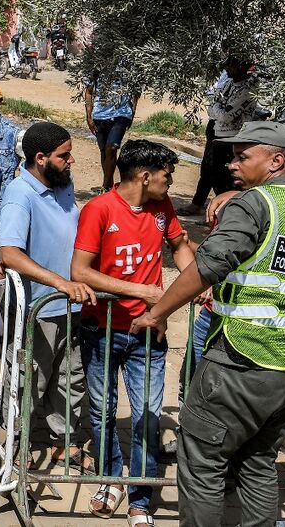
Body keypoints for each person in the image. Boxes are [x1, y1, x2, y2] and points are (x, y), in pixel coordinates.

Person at [131, 122, 285, 526]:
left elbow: (209, 265)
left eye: (243, 155)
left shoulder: (255, 205)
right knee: (258, 465)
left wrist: (158, 313)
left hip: (239, 360)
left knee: (202, 462)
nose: (231, 163)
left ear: (276, 161)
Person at [71, 139, 198, 526]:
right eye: (167, 174)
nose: (171, 182)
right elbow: (80, 271)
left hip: (149, 333)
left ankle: (140, 496)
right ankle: (109, 480)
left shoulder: (162, 207)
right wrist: (142, 290)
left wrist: (196, 278)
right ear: (144, 176)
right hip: (102, 328)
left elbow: (179, 244)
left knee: (146, 415)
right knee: (104, 411)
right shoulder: (98, 209)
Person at [0, 122, 96, 469]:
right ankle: (13, 443)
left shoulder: (63, 184)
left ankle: (64, 440)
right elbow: (9, 252)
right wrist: (58, 282)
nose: (71, 161)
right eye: (64, 155)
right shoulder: (19, 194)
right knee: (29, 380)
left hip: (71, 305)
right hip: (37, 309)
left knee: (70, 377)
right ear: (41, 158)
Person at [179, 58, 257, 215]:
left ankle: (226, 211)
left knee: (226, 176)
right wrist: (217, 109)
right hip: (217, 132)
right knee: (209, 169)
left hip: (233, 138)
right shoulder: (229, 83)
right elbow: (214, 104)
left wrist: (217, 109)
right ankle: (202, 205)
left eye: (231, 64)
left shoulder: (248, 89)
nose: (226, 68)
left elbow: (226, 116)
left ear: (241, 66)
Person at [84, 72, 140, 192]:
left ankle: (105, 186)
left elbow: (136, 90)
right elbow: (89, 92)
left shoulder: (127, 66)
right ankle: (109, 185)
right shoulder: (96, 67)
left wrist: (132, 112)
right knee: (104, 151)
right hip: (99, 116)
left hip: (121, 114)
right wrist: (88, 116)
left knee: (112, 147)